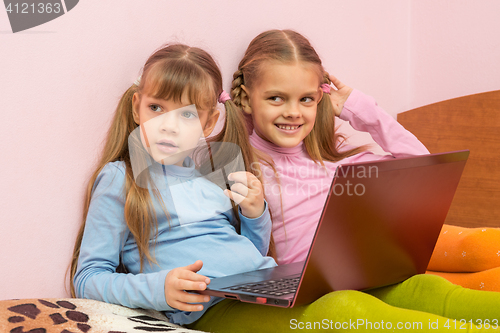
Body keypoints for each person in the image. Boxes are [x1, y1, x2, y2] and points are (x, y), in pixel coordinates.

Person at [187, 30, 500, 332]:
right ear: (245, 99)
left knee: (425, 286)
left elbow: (420, 168)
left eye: (306, 99)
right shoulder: (231, 163)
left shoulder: (339, 160)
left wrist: (360, 109)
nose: (294, 112)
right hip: (295, 291)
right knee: (347, 306)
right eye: (276, 98)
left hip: (350, 278)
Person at [70, 43, 277, 326]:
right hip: (210, 307)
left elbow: (246, 255)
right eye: (156, 108)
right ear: (136, 108)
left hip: (261, 289)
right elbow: (88, 279)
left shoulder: (213, 175)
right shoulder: (121, 178)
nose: (168, 125)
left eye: (187, 114)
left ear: (209, 123)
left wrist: (255, 215)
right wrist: (159, 290)